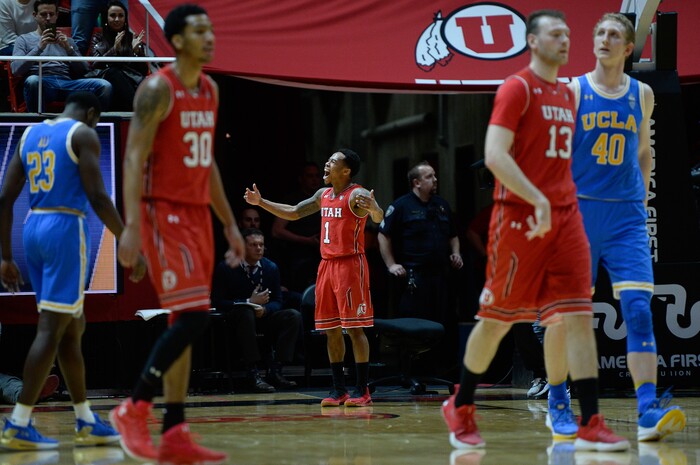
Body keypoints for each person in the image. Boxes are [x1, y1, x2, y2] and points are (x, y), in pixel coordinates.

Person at [441, 10, 630, 451]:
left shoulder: (568, 94)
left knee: (580, 316)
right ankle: (462, 405)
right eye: (555, 34)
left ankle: (591, 420)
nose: (566, 40)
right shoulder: (517, 87)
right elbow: (494, 154)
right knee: (496, 322)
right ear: (531, 41)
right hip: (518, 220)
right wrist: (538, 197)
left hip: (566, 220)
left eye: (568, 33)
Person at [111, 5, 244, 465]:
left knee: (184, 321)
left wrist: (228, 222)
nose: (209, 37)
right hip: (160, 213)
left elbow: (206, 167)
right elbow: (132, 159)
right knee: (193, 318)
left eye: (211, 29)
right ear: (178, 40)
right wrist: (130, 224)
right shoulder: (156, 89)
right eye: (198, 31)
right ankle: (134, 407)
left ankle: (174, 430)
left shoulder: (210, 89)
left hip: (196, 216)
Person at [546, 12, 685, 442]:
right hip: (579, 216)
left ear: (628, 48)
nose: (604, 38)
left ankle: (646, 409)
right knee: (563, 319)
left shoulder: (642, 94)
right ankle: (557, 401)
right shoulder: (571, 90)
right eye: (600, 33)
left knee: (640, 312)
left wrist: (641, 199)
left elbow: (644, 151)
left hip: (625, 217)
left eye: (614, 35)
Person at [0, 91, 143, 449]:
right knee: (51, 328)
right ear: (93, 113)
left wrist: (5, 256)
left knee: (71, 326)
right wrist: (126, 240)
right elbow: (97, 196)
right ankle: (18, 422)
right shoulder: (82, 133)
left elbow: (4, 198)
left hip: (32, 229)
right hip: (64, 229)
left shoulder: (31, 133)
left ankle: (84, 418)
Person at [244, 148, 384, 407]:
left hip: (350, 265)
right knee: (330, 329)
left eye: (333, 161)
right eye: (328, 160)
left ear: (346, 170)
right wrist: (261, 203)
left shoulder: (358, 194)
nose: (327, 164)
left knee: (354, 329)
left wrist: (375, 209)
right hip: (327, 266)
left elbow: (377, 215)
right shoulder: (324, 195)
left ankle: (362, 390)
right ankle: (338, 390)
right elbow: (294, 212)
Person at [211, 228, 302, 392]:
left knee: (292, 316)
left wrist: (265, 310)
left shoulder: (271, 267)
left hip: (262, 317)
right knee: (246, 313)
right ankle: (252, 373)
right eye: (253, 245)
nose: (259, 248)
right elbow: (218, 302)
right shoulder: (226, 267)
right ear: (243, 247)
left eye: (261, 245)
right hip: (235, 321)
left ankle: (275, 371)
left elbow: (278, 301)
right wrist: (248, 302)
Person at [378, 161, 463, 323]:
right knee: (418, 322)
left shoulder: (441, 205)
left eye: (435, 175)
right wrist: (391, 264)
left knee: (445, 322)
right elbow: (383, 235)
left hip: (442, 275)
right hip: (415, 275)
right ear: (416, 183)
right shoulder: (401, 206)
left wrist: (456, 253)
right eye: (429, 176)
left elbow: (453, 235)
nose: (435, 179)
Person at [11, 0, 111, 112]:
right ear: (35, 15)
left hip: (68, 83)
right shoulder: (23, 39)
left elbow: (85, 70)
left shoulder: (68, 41)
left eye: (51, 14)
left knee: (104, 85)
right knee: (32, 81)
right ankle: (38, 125)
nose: (48, 18)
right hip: (42, 83)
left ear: (57, 15)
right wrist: (39, 48)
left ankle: (101, 126)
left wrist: (69, 49)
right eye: (44, 14)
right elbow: (16, 69)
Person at [270, 161, 322, 292]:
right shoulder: (292, 200)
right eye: (310, 176)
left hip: (321, 256)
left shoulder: (327, 199)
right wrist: (307, 241)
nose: (314, 180)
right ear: (301, 179)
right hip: (297, 257)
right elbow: (277, 230)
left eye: (317, 176)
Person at [85, 0, 146, 112]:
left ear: (125, 18)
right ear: (106, 18)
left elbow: (142, 72)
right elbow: (94, 65)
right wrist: (114, 49)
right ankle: (139, 111)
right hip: (107, 82)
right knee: (114, 72)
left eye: (120, 16)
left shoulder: (133, 39)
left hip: (129, 84)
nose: (117, 19)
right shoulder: (98, 38)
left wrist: (137, 52)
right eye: (113, 16)